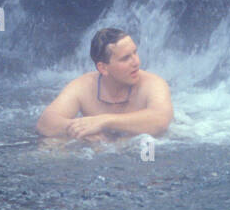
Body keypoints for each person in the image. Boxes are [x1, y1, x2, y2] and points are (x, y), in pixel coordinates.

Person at [36, 28, 173, 143]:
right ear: (103, 68)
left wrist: (103, 121)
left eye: (135, 52)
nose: (136, 62)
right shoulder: (83, 86)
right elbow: (45, 123)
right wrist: (81, 128)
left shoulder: (152, 83)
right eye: (125, 58)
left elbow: (161, 120)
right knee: (50, 146)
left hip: (146, 151)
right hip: (101, 155)